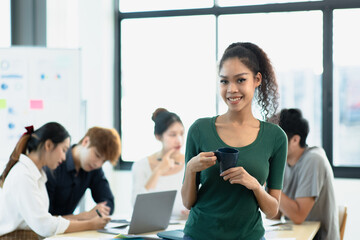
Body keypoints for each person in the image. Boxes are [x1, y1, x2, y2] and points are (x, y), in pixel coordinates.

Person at [181, 42, 288, 239]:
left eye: (240, 80)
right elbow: (187, 202)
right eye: (224, 81)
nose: (231, 89)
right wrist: (190, 169)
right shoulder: (199, 129)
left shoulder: (276, 137)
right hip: (199, 234)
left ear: (257, 80)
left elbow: (272, 210)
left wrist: (255, 185)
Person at [0, 123, 110, 239]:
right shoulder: (23, 174)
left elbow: (49, 220)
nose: (64, 157)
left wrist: (86, 216)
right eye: (63, 150)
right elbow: (45, 226)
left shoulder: (37, 175)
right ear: (48, 145)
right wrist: (90, 224)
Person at [269, 108, 340, 240]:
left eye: (276, 140)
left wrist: (269, 182)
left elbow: (298, 216)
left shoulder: (314, 159)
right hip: (295, 235)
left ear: (295, 140)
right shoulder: (282, 162)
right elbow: (274, 215)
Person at [45, 126, 121, 219]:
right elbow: (46, 219)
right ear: (86, 141)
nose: (98, 164)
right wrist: (86, 216)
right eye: (97, 155)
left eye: (104, 161)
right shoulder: (55, 163)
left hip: (67, 229)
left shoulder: (94, 168)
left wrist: (99, 211)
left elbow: (108, 202)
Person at [132, 108, 189, 219]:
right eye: (172, 135)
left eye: (181, 134)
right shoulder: (141, 165)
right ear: (158, 137)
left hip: (184, 227)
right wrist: (158, 171)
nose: (179, 140)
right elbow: (136, 206)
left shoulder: (190, 164)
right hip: (152, 227)